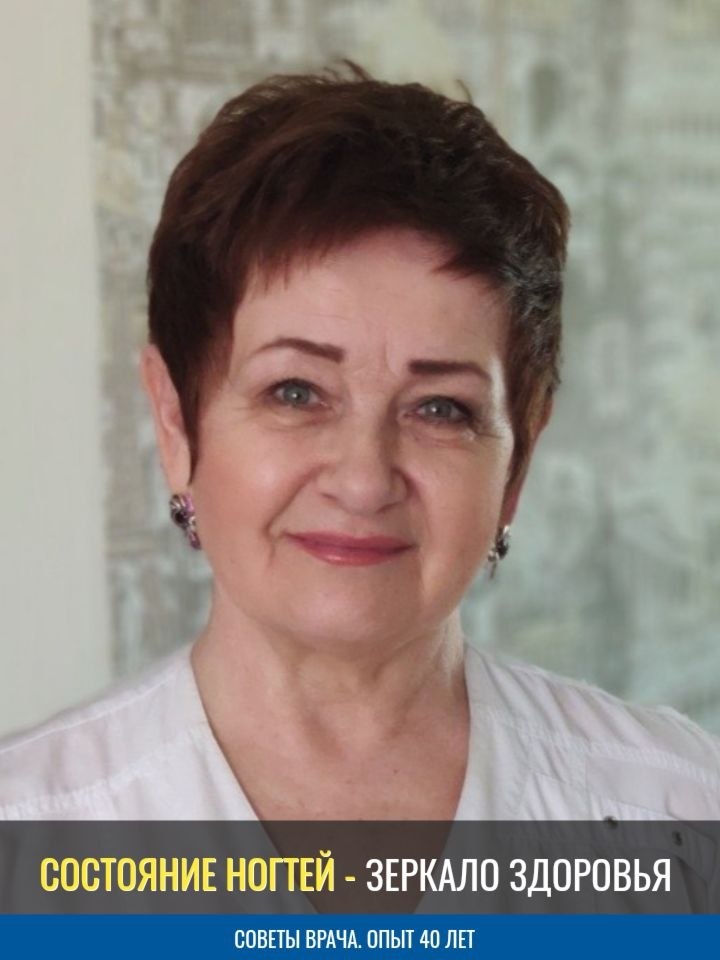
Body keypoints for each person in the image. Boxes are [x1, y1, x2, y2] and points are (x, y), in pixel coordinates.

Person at [1, 64, 719, 823]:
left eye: (440, 409)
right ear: (175, 421)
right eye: (295, 392)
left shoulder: (679, 811)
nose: (364, 480)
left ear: (517, 464)